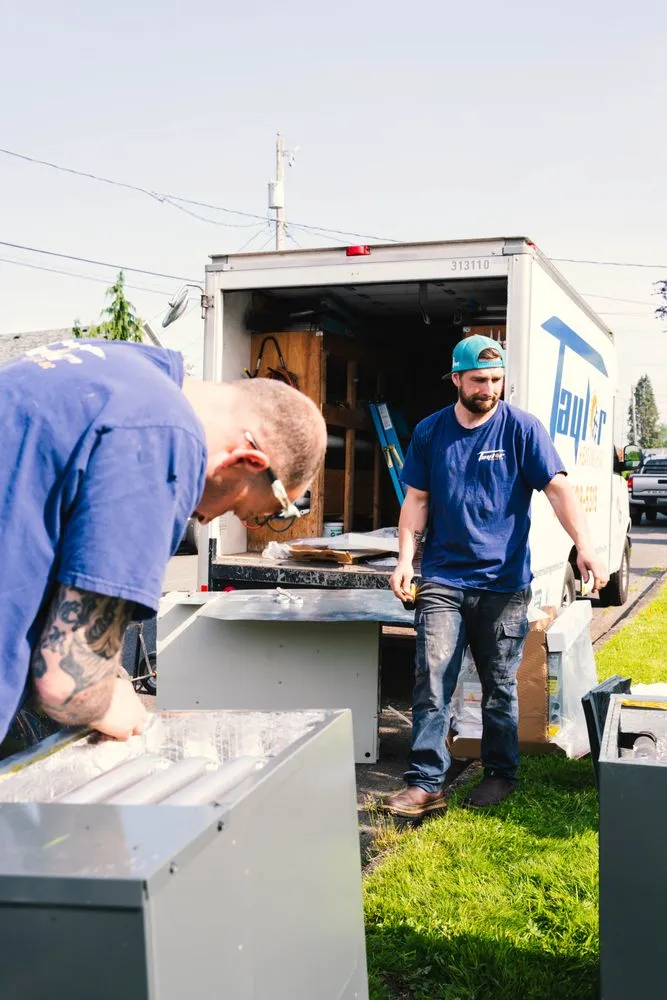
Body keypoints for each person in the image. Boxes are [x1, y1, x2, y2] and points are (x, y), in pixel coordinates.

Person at [0, 338, 326, 754]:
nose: (205, 518)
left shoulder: (119, 370)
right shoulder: (165, 438)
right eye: (243, 509)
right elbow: (68, 683)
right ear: (246, 461)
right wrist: (110, 701)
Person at [384, 335, 607, 816]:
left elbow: (558, 490)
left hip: (504, 583)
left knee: (499, 686)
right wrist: (404, 560)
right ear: (457, 379)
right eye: (480, 380)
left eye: (497, 380)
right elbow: (416, 501)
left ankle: (500, 774)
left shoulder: (522, 429)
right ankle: (426, 782)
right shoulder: (430, 432)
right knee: (433, 679)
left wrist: (585, 547)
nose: (489, 389)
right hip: (443, 577)